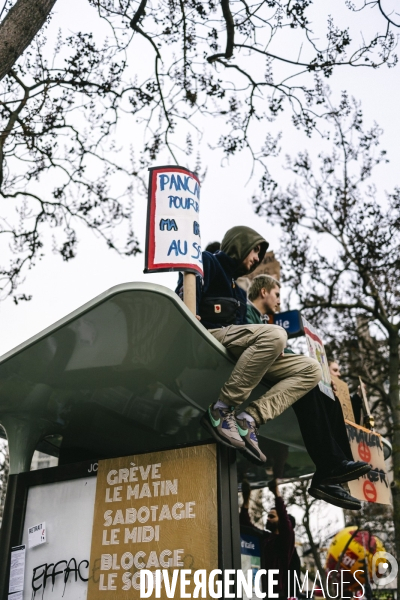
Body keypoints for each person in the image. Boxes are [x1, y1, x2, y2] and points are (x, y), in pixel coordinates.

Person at [176, 226, 370, 508]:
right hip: (206, 339)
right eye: (255, 250)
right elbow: (186, 296)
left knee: (312, 371)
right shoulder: (207, 261)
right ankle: (221, 410)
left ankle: (250, 419)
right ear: (241, 245)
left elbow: (247, 332)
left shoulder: (238, 291)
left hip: (235, 347)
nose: (257, 257)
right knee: (277, 335)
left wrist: (273, 350)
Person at [242, 271, 371, 510]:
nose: (279, 301)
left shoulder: (264, 321)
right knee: (310, 387)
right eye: (277, 294)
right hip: (265, 377)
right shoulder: (248, 312)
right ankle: (330, 467)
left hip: (277, 373)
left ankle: (335, 469)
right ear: (264, 292)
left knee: (328, 396)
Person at [240, 479, 295, 599]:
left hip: (275, 594)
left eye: (272, 516)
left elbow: (286, 525)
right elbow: (245, 524)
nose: (268, 518)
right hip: (259, 591)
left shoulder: (284, 542)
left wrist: (277, 494)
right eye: (268, 516)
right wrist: (246, 499)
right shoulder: (265, 538)